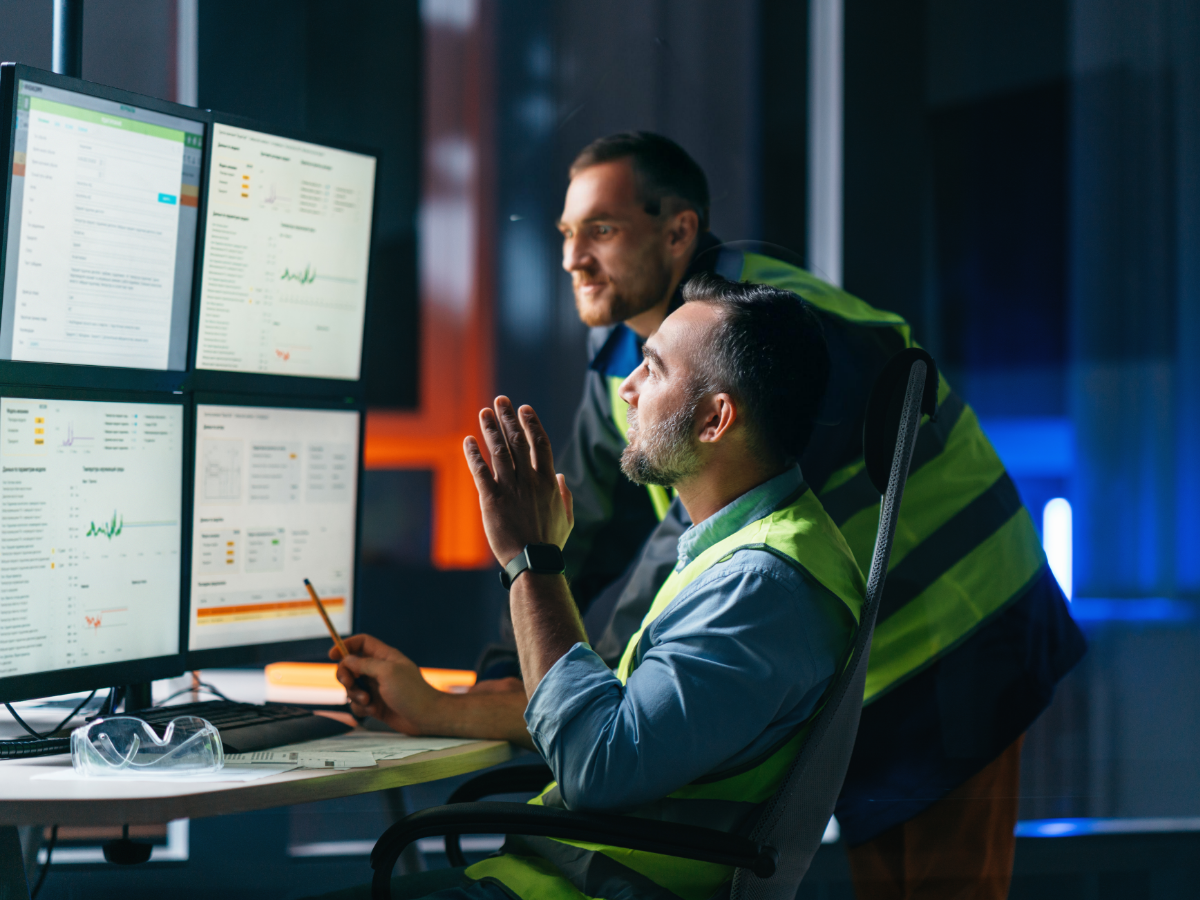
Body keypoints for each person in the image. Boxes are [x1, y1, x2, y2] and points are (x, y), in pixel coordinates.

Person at [477, 132, 1086, 899]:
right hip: (848, 653)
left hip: (961, 620)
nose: (572, 258)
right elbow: (591, 520)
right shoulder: (631, 362)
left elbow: (719, 521)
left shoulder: (767, 331)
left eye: (601, 229)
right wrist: (504, 672)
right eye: (566, 233)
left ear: (679, 233)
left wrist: (589, 673)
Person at [329, 277, 866, 900]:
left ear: (716, 419)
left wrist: (532, 562)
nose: (628, 390)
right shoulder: (745, 552)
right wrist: (434, 708)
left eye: (653, 370)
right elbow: (624, 717)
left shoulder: (761, 586)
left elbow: (598, 766)